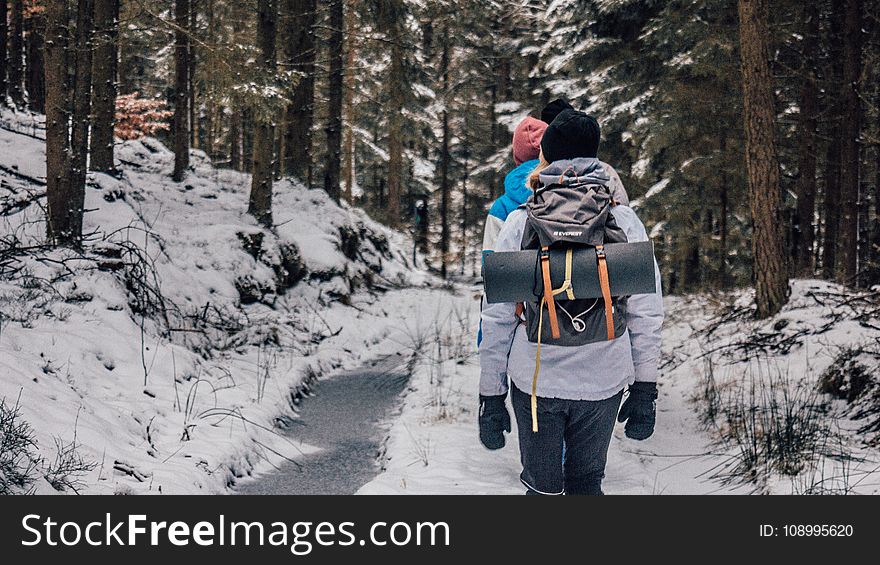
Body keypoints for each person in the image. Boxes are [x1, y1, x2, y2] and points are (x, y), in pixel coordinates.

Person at [477, 108, 664, 495]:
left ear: (546, 154)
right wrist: (645, 388)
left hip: (536, 380)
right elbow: (645, 313)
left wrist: (490, 396)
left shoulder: (520, 222)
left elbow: (497, 319)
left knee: (542, 492)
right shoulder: (624, 221)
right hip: (604, 378)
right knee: (585, 486)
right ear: (596, 155)